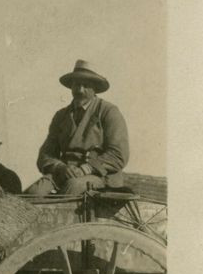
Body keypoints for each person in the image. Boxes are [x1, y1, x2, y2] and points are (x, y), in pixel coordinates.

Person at [26, 59, 129, 196]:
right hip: (65, 174)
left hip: (100, 177)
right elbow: (46, 154)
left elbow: (118, 155)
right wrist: (60, 167)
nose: (79, 90)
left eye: (85, 85)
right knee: (34, 193)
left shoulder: (108, 112)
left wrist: (86, 169)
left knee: (71, 188)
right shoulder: (61, 116)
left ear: (95, 88)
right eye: (76, 84)